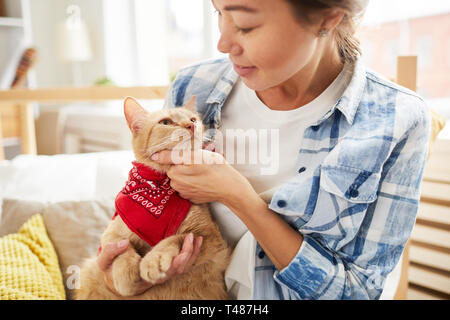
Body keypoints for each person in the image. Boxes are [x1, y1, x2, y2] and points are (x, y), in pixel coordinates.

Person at [97, 0, 431, 299]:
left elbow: (356, 292)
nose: (223, 43)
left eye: (245, 25)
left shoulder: (396, 119)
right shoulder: (193, 86)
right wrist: (123, 276)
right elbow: (142, 215)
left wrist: (238, 197)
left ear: (327, 19)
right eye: (218, 12)